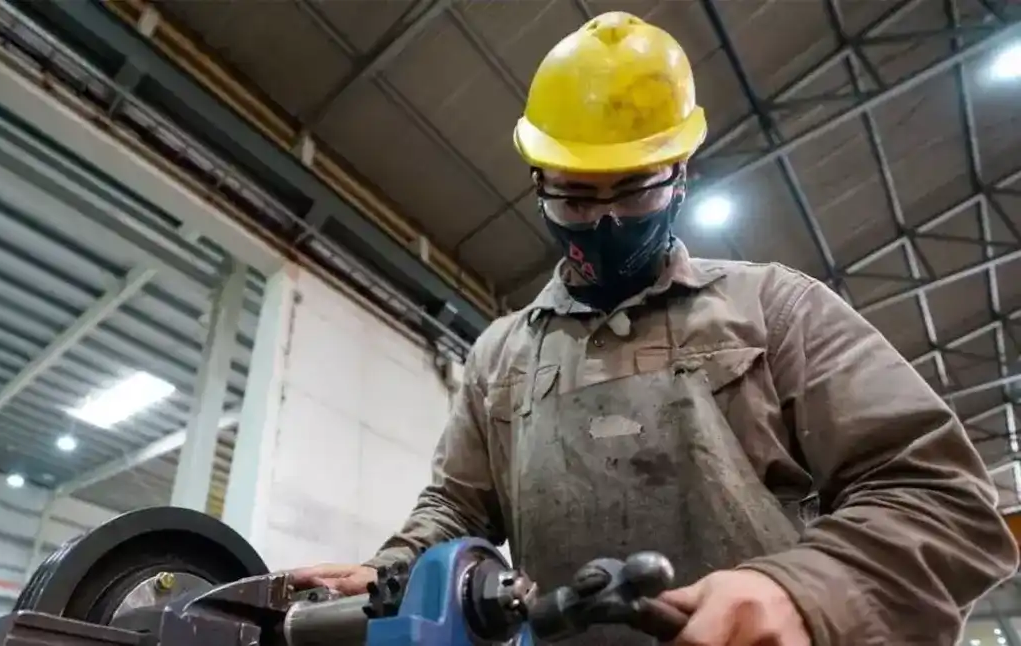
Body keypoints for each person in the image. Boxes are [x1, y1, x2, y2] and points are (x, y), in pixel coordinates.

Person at [289, 11, 1019, 646]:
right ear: (538, 182)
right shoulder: (501, 355)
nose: (604, 222)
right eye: (575, 197)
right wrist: (390, 575)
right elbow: (455, 508)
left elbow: (941, 496)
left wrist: (805, 590)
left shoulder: (777, 310)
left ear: (680, 175)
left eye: (634, 191)